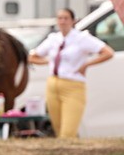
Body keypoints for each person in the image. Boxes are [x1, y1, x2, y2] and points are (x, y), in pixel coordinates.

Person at [27, 8, 113, 138]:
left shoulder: (82, 38)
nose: (62, 21)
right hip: (53, 84)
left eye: (66, 18)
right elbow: (33, 56)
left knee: (68, 132)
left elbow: (108, 52)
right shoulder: (53, 39)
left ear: (73, 21)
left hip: (73, 85)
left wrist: (86, 65)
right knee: (58, 127)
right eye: (60, 18)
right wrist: (49, 62)